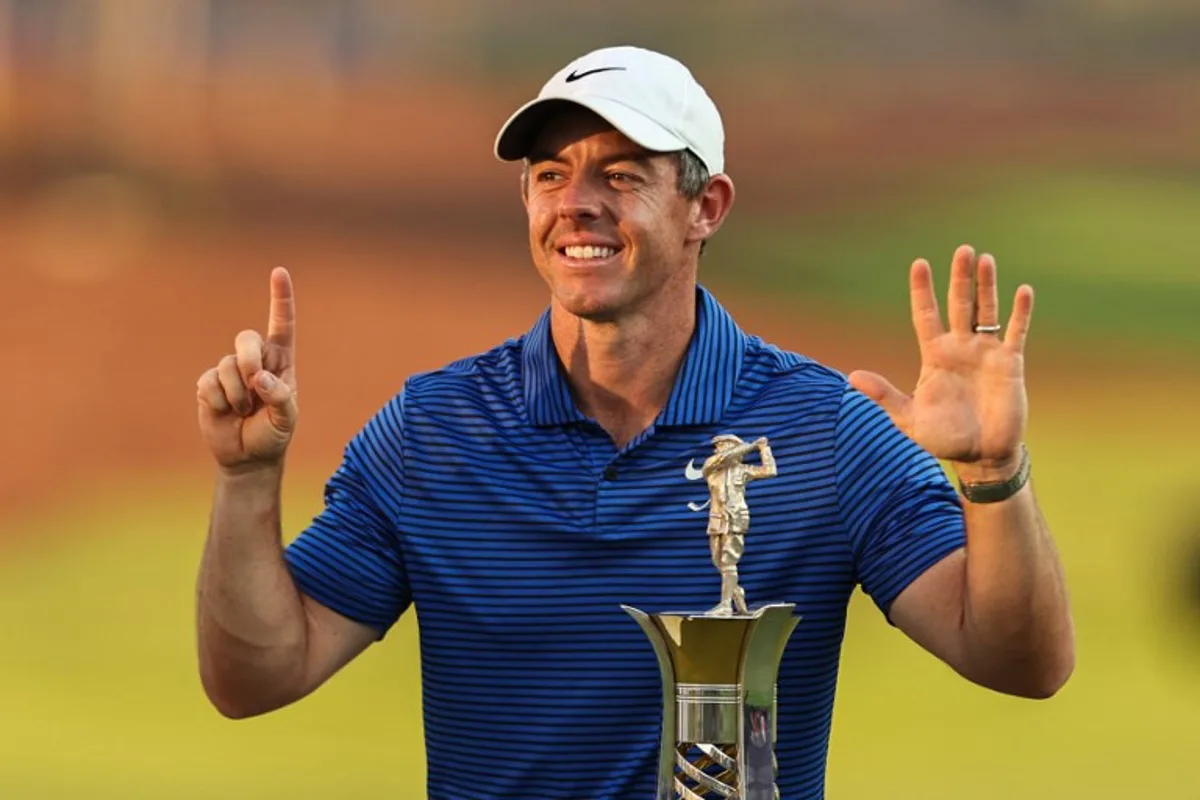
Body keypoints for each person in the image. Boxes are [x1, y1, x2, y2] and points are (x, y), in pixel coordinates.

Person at [194, 45, 1074, 800]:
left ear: (707, 207)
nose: (576, 203)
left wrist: (994, 477)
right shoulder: (433, 434)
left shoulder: (825, 431)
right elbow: (257, 677)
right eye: (550, 176)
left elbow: (1020, 664)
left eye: (621, 175)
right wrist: (244, 483)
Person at [697, 433, 777, 616]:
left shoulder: (743, 470)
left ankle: (725, 605)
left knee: (728, 562)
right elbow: (723, 458)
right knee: (718, 562)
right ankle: (736, 593)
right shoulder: (711, 468)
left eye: (721, 445)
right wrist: (751, 446)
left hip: (735, 517)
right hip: (717, 518)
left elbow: (770, 471)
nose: (717, 449)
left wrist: (764, 449)